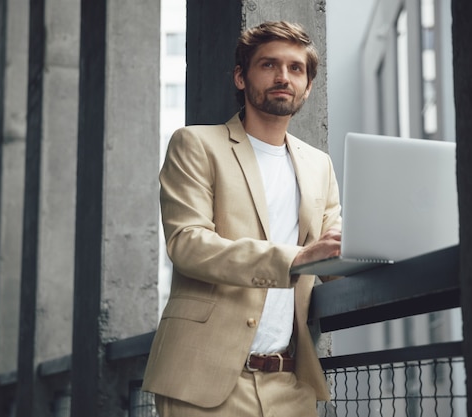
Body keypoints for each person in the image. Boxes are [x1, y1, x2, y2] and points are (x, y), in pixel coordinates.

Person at [143, 21, 342, 417]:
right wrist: (294, 259)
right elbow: (187, 244)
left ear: (308, 86)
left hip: (291, 383)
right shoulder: (195, 144)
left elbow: (331, 258)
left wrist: (371, 247)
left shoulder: (319, 165)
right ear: (240, 76)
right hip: (203, 381)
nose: (283, 76)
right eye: (269, 65)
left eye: (296, 68)